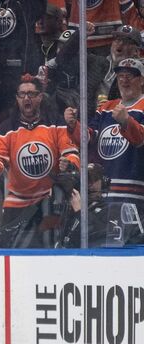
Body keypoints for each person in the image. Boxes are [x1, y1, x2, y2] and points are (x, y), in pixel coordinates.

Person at [0, 74, 80, 248]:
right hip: (17, 200)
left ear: (40, 97)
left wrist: (68, 163)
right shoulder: (6, 128)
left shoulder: (55, 123)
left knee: (50, 245)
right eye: (22, 94)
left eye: (31, 94)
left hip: (49, 199)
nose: (26, 98)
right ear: (17, 98)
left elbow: (71, 152)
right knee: (6, 248)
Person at [64, 58, 144, 245]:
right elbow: (89, 138)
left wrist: (126, 122)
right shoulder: (106, 108)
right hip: (104, 194)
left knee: (132, 245)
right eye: (120, 76)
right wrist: (74, 125)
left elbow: (141, 141)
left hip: (135, 193)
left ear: (141, 80)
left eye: (130, 76)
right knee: (104, 242)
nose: (124, 81)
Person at [56, 163, 113, 248]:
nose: (88, 183)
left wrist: (80, 212)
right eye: (85, 179)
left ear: (104, 182)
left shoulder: (108, 210)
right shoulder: (69, 208)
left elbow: (100, 236)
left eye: (93, 179)